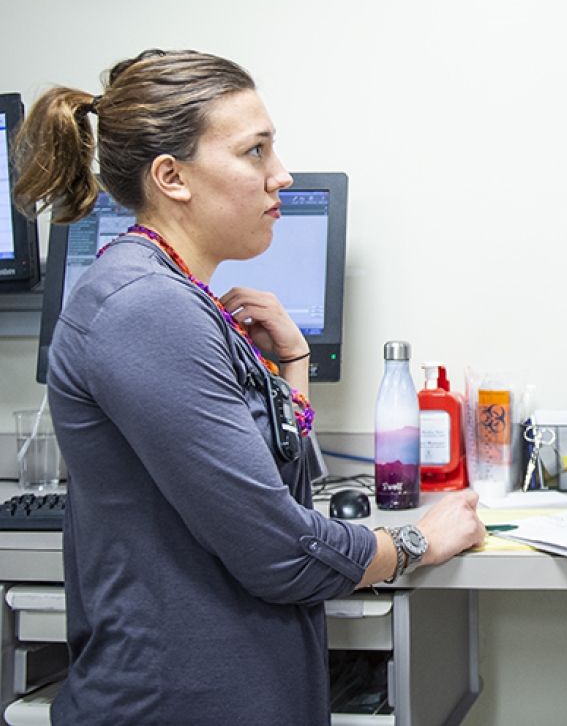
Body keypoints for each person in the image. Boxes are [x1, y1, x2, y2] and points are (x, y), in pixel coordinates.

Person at [13, 50, 485, 725]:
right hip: (174, 704)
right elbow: (281, 551)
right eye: (255, 151)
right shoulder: (146, 308)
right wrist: (416, 544)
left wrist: (291, 365)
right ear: (172, 177)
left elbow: (261, 479)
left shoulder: (175, 295)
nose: (281, 176)